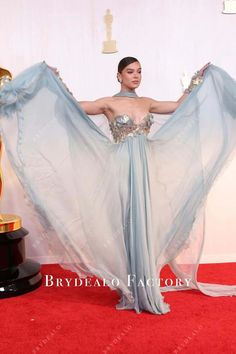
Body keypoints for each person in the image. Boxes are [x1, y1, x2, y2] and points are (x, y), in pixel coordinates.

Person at [0, 58, 236, 315]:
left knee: (144, 221)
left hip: (144, 168)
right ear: (119, 75)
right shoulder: (108, 103)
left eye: (139, 71)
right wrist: (57, 83)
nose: (136, 76)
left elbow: (180, 107)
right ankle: (132, 287)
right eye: (130, 72)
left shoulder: (147, 102)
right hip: (122, 168)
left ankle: (145, 286)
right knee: (128, 221)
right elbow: (72, 108)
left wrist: (197, 80)